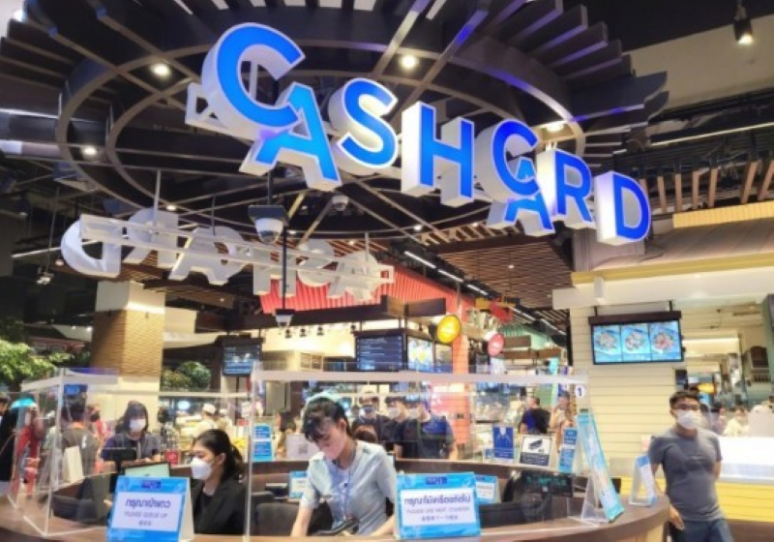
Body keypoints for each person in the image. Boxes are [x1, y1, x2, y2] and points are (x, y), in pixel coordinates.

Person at [291, 394, 396, 537]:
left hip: (373, 537)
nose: (322, 447)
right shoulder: (316, 465)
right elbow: (302, 521)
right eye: (316, 441)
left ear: (342, 425)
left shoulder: (374, 457)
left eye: (326, 438)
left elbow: (403, 509)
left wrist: (372, 539)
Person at [648, 390, 732, 542]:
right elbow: (648, 476)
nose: (690, 412)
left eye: (694, 408)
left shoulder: (711, 438)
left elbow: (714, 473)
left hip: (715, 515)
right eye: (683, 407)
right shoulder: (661, 440)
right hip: (683, 518)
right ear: (672, 412)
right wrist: (667, 507)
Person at [190, 429, 246, 535]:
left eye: (200, 456)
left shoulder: (237, 494)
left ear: (220, 458)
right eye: (193, 456)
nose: (194, 462)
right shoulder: (192, 488)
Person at [393, 398, 458, 460]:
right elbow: (397, 456)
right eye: (409, 407)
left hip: (435, 466)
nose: (412, 409)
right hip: (410, 467)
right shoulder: (402, 426)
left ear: (423, 403)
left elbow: (453, 450)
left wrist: (448, 466)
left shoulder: (440, 423)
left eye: (415, 406)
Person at [60, 401, 99, 477]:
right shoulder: (91, 436)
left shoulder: (66, 436)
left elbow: (63, 464)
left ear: (68, 418)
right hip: (89, 480)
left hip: (72, 481)